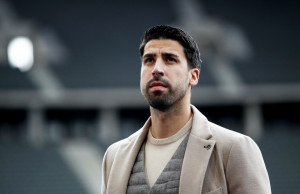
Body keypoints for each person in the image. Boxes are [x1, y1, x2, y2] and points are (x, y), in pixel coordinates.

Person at [101, 25, 271, 194]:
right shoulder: (114, 156)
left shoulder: (234, 148)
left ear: (193, 76)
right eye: (149, 60)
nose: (157, 69)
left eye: (170, 59)